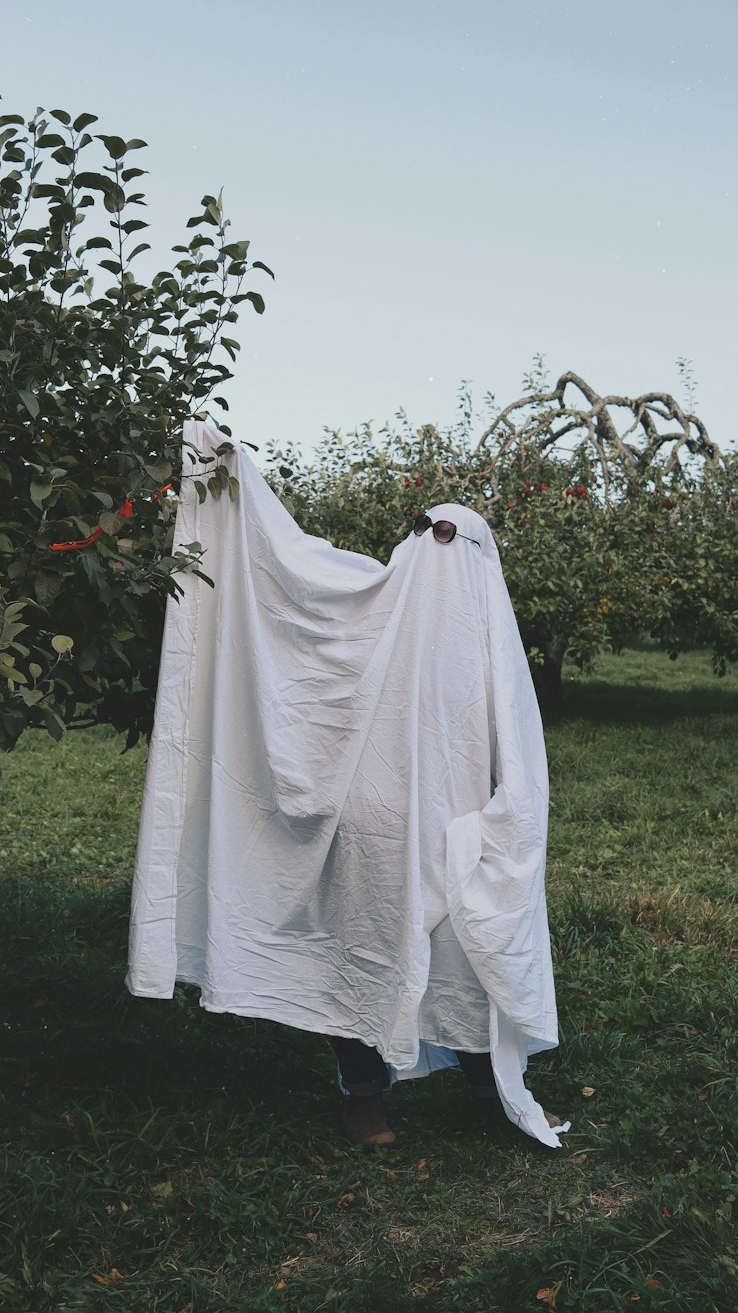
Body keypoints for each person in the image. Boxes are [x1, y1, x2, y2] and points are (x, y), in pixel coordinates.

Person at [127, 420, 567, 1150]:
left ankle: (372, 1109)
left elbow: (286, 569)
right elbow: (510, 744)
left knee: (359, 954)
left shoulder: (372, 600)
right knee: (463, 956)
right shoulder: (449, 613)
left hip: (370, 824)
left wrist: (228, 482)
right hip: (432, 827)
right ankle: (483, 1094)